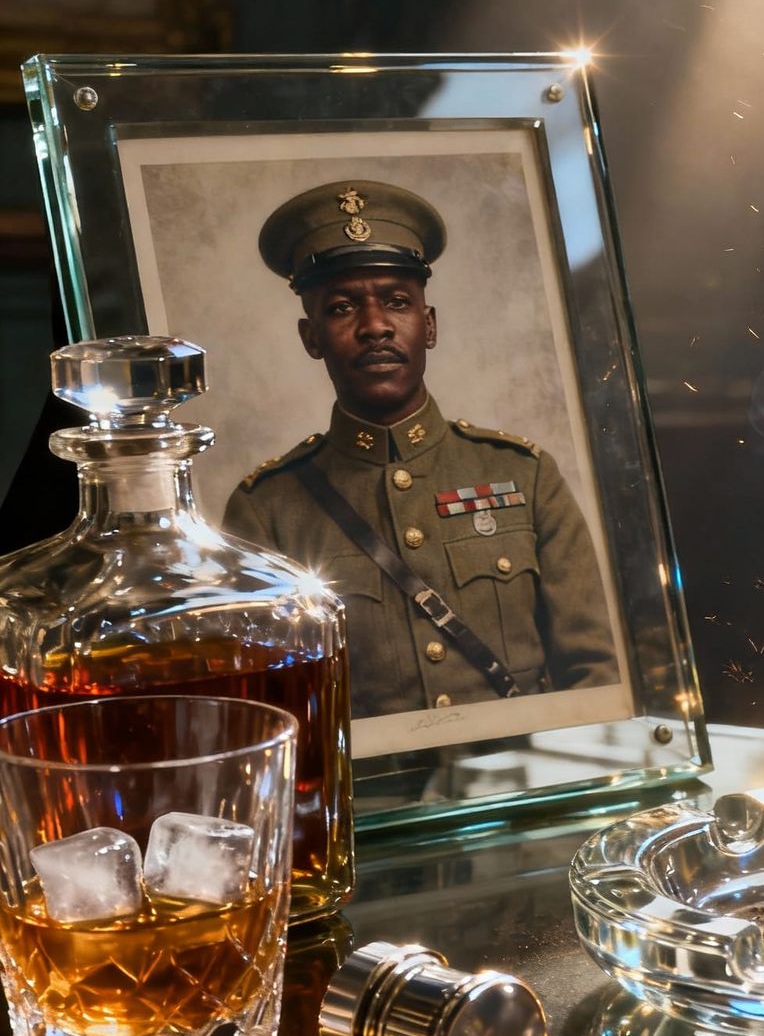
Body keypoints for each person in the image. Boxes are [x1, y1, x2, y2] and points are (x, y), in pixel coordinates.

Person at [225, 179, 619, 720]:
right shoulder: (266, 510)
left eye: (397, 302)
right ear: (311, 337)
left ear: (428, 325)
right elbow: (271, 708)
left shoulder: (524, 475)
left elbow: (593, 673)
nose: (375, 326)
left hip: (525, 765)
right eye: (341, 308)